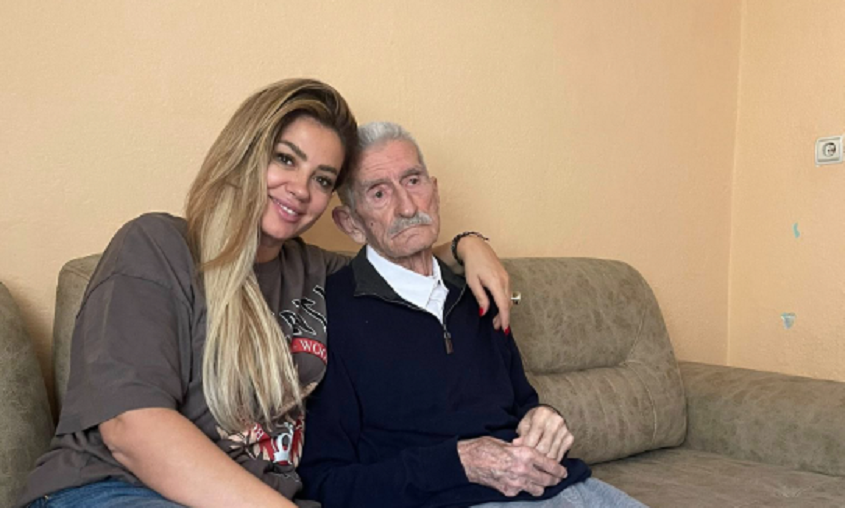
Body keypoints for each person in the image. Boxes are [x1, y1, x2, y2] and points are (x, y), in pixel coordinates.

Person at [18, 80, 513, 508]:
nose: (300, 189)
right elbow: (133, 429)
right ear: (246, 151)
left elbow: (400, 252)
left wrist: (468, 245)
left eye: (322, 179)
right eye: (285, 159)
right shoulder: (158, 246)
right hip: (113, 489)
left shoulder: (317, 270)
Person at [297, 122, 648, 508]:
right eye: (379, 193)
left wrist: (544, 418)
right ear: (351, 223)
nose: (408, 207)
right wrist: (459, 463)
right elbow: (325, 482)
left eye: (413, 181)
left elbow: (522, 403)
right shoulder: (332, 313)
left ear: (435, 191)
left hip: (562, 487)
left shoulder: (478, 288)